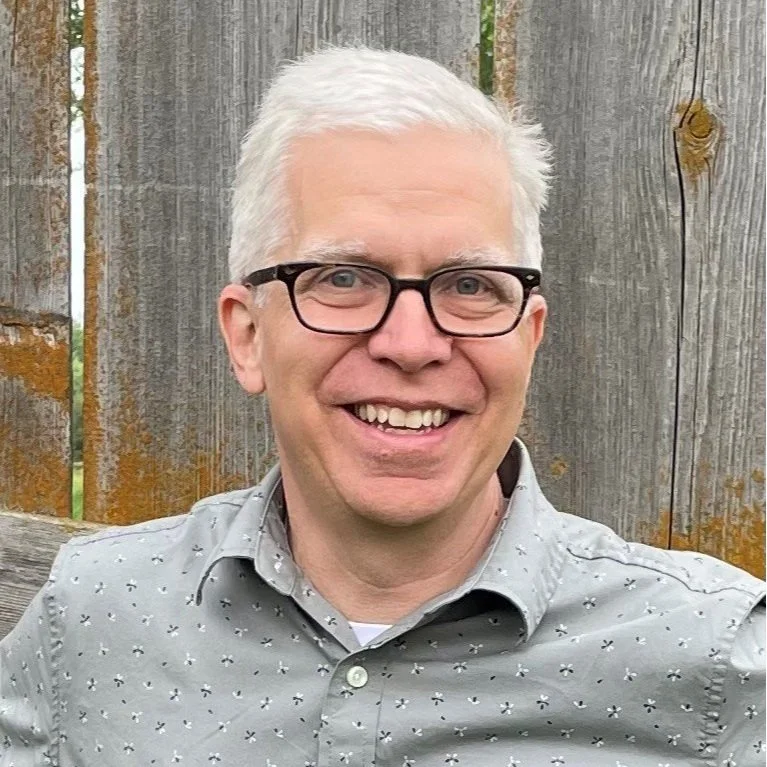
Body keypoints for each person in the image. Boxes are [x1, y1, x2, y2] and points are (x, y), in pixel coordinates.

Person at [1, 46, 764, 767]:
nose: (410, 343)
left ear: (528, 337)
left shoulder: (712, 660)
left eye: (469, 285)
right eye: (342, 278)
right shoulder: (96, 616)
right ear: (247, 336)